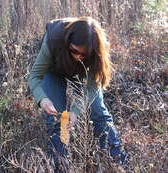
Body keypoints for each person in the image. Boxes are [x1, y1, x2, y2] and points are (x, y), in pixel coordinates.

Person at [28, 17, 128, 172]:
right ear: (68, 42)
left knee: (98, 112)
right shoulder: (53, 39)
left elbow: (93, 87)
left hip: (83, 72)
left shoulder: (96, 50)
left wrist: (75, 112)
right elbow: (34, 75)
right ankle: (61, 166)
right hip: (54, 70)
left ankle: (118, 164)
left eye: (84, 54)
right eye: (74, 51)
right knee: (57, 118)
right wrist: (43, 99)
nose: (78, 56)